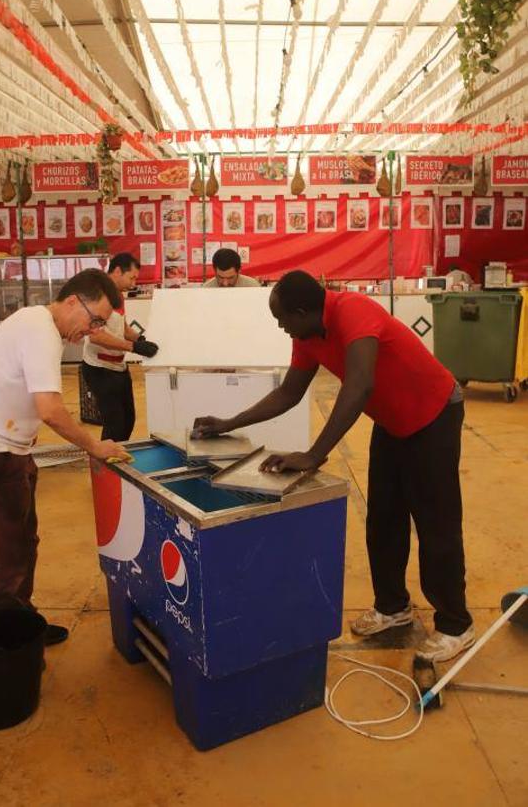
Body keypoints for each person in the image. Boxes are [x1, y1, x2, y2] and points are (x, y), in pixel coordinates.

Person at [193, 270, 474, 663]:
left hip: (434, 414)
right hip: (394, 422)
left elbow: (359, 386)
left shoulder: (353, 312)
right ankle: (393, 607)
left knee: (435, 522)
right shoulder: (307, 336)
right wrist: (229, 423)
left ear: (304, 311)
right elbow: (289, 393)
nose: (281, 327)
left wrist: (314, 454)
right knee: (384, 518)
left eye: (283, 320)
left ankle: (456, 625)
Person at [0, 269, 128, 646]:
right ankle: (4, 649)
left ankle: (22, 623)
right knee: (6, 553)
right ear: (71, 302)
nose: (93, 330)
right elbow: (49, 409)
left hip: (9, 449)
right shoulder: (41, 333)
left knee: (22, 541)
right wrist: (94, 446)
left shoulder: (37, 322)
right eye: (94, 319)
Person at [82, 253, 158, 442]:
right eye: (131, 277)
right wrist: (134, 347)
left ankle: (117, 463)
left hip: (118, 367)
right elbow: (96, 336)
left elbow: (121, 327)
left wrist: (141, 339)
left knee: (129, 420)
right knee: (114, 424)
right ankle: (106, 466)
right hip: (99, 369)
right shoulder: (97, 295)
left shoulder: (118, 296)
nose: (133, 284)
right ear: (117, 271)